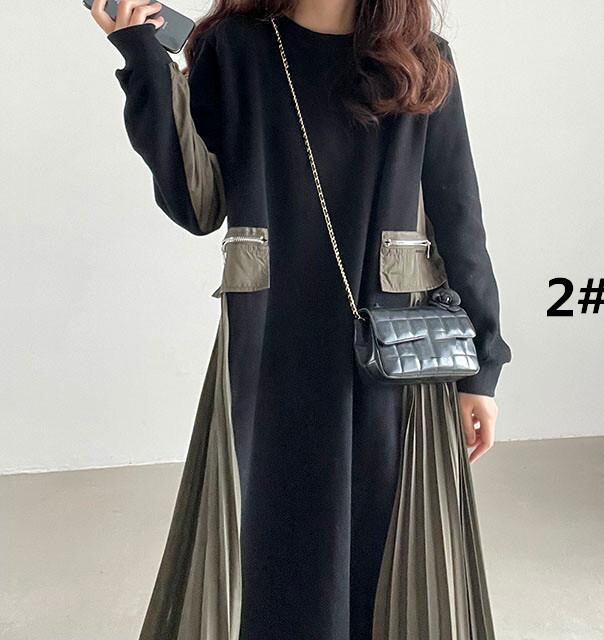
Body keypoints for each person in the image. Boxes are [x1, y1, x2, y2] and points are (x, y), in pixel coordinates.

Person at [91, 0, 512, 638]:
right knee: (271, 536)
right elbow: (198, 203)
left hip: (391, 354)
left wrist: (482, 370)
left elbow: (460, 220)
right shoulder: (235, 49)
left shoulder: (421, 61)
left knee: (387, 543)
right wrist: (143, 61)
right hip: (271, 342)